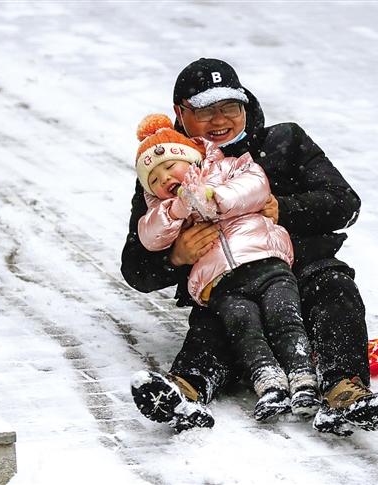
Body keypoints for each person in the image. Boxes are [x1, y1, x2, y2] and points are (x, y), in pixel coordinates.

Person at [122, 58, 378, 436]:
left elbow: (344, 202)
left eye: (229, 107)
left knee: (336, 290)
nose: (219, 120)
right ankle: (185, 388)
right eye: (205, 111)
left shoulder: (284, 141)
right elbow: (135, 268)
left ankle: (344, 389)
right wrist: (176, 256)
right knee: (219, 320)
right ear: (180, 114)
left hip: (304, 267)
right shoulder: (167, 168)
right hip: (227, 280)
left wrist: (285, 208)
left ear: (244, 105)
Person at [131, 113, 320, 422]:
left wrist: (215, 196)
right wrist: (176, 211)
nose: (164, 179)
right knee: (245, 331)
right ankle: (269, 385)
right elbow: (148, 237)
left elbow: (255, 185)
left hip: (265, 263)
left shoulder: (228, 167)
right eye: (154, 179)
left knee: (284, 318)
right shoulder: (161, 207)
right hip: (222, 285)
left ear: (191, 157)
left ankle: (303, 381)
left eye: (169, 167)